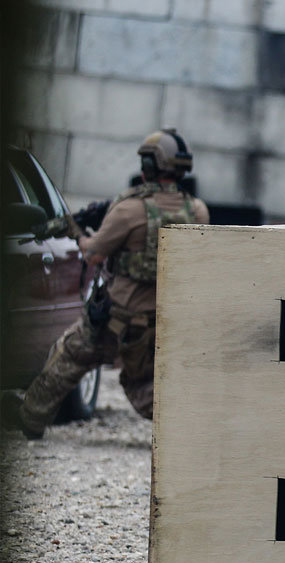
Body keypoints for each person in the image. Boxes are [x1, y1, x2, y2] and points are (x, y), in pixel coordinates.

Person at [3, 128, 209, 439]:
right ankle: (196, 427)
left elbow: (94, 254)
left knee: (69, 355)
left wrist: (75, 230)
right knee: (142, 382)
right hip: (163, 320)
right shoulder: (197, 210)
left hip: (118, 320)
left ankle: (30, 418)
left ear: (150, 166)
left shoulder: (129, 210)